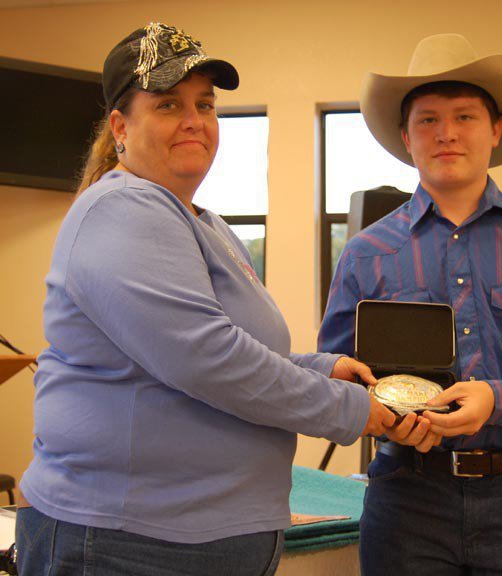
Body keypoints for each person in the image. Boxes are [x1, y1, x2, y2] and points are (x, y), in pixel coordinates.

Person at [16, 22, 395, 576]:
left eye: (206, 104)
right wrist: (355, 410)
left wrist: (324, 368)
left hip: (204, 538)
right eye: (169, 105)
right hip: (129, 544)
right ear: (120, 126)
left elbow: (229, 348)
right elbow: (212, 360)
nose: (196, 121)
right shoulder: (120, 211)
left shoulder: (205, 223)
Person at [318, 33, 502, 575]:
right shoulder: (366, 253)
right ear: (406, 137)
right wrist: (382, 418)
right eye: (428, 119)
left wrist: (500, 399)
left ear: (495, 130)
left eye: (465, 116)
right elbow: (338, 374)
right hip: (406, 500)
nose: (447, 133)